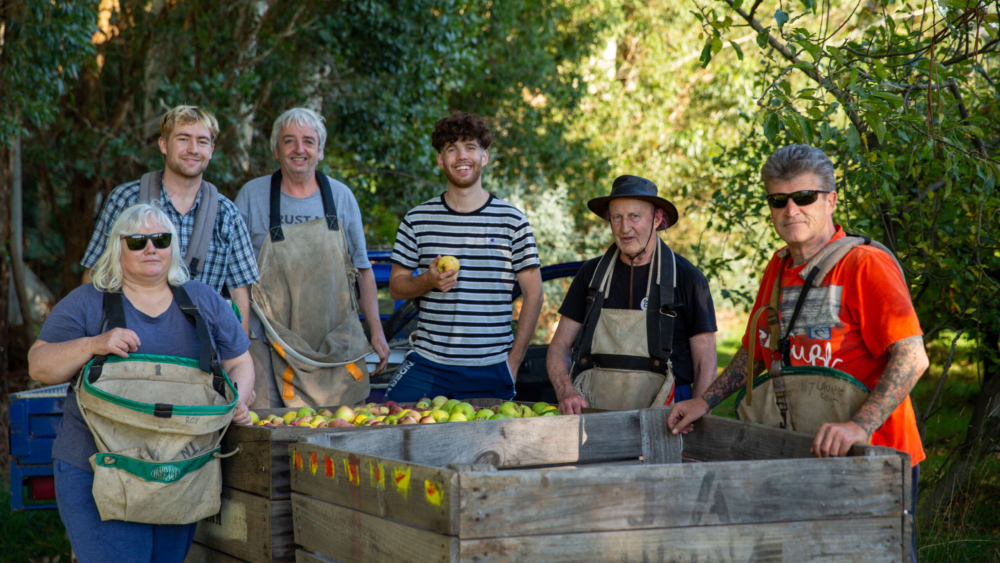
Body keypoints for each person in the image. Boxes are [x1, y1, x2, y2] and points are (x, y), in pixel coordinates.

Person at [667, 144, 927, 560]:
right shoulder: (777, 268)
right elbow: (755, 352)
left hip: (873, 455)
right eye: (778, 200)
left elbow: (912, 356)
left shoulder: (864, 265)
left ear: (831, 200)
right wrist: (705, 400)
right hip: (801, 451)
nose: (791, 210)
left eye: (804, 197)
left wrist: (858, 427)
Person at [29, 203, 254, 563]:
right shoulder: (88, 303)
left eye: (161, 239)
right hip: (99, 470)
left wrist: (237, 400)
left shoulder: (203, 300)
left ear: (173, 247)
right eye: (136, 241)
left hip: (181, 470)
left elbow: (240, 360)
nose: (151, 248)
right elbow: (39, 365)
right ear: (117, 248)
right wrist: (94, 344)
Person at [235, 108, 388, 408]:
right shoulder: (252, 196)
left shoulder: (341, 197)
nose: (299, 149)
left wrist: (377, 333)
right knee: (268, 437)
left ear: (320, 151)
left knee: (335, 435)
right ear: (276, 151)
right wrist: (239, 343)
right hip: (266, 344)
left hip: (332, 347)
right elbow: (236, 279)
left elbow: (363, 271)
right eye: (288, 141)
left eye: (308, 141)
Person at [385, 112, 543, 401]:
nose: (461, 156)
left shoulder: (512, 221)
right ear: (440, 160)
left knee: (490, 447)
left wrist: (514, 361)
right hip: (429, 364)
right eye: (451, 149)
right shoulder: (417, 219)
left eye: (470, 147)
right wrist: (428, 281)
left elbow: (535, 294)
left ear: (484, 157)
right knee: (389, 426)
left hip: (491, 367)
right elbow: (397, 285)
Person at [81, 106, 259, 336]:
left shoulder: (227, 214)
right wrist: (91, 342)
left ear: (211, 150)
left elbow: (239, 295)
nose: (193, 149)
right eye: (183, 139)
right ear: (164, 145)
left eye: (202, 142)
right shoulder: (125, 200)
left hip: (200, 345)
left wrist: (235, 359)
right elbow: (94, 274)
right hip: (129, 340)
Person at [547, 175, 718, 413]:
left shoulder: (688, 278)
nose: (624, 228)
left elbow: (706, 364)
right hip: (595, 411)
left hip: (668, 414)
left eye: (634, 217)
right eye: (617, 217)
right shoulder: (591, 274)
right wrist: (566, 391)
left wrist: (697, 417)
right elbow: (559, 347)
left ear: (657, 218)